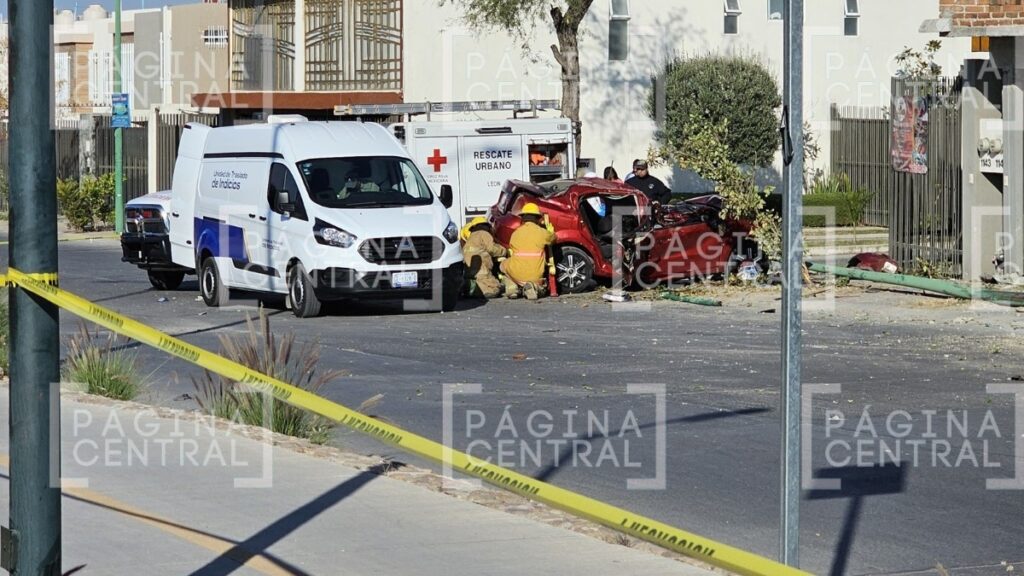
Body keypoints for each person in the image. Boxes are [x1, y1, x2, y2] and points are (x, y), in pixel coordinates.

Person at [499, 203, 555, 300]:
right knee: (539, 285)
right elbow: (554, 239)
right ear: (538, 218)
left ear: (523, 218)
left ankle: (512, 287)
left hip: (516, 273)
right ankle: (533, 287)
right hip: (535, 276)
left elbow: (511, 250)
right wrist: (551, 232)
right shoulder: (541, 232)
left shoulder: (516, 233)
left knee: (503, 265)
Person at [460, 217, 507, 298]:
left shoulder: (470, 238)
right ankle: (470, 287)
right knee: (494, 289)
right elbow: (492, 249)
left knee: (496, 283)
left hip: (468, 273)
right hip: (482, 273)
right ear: (486, 226)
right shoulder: (484, 234)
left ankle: (468, 285)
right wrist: (504, 251)